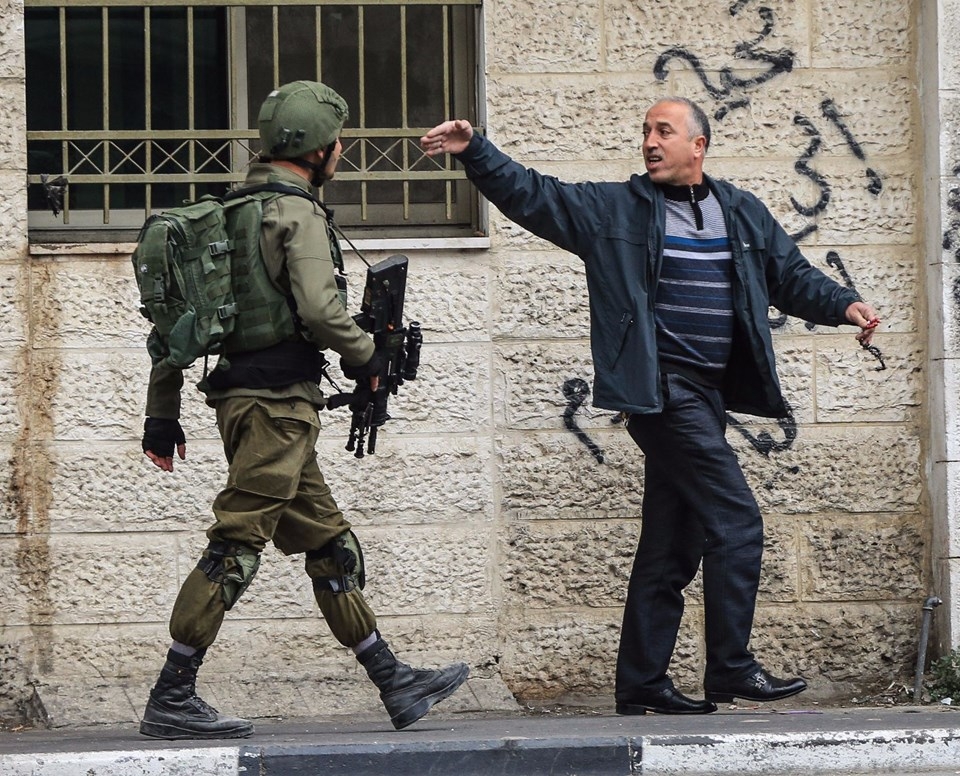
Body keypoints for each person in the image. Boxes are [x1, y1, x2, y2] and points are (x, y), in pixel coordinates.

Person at [420, 98, 879, 716]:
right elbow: (537, 195)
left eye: (664, 131)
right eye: (645, 132)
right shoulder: (616, 211)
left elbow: (792, 277)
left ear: (699, 145)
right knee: (737, 521)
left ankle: (642, 682)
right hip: (662, 392)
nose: (650, 142)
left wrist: (845, 305)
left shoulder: (740, 212)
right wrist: (476, 151)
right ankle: (732, 668)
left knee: (671, 544)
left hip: (707, 397)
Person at [138, 80, 469, 740]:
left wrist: (163, 411)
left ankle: (395, 683)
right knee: (236, 543)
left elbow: (174, 326)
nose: (339, 153)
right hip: (277, 412)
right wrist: (369, 355)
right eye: (337, 144)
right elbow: (321, 311)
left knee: (330, 545)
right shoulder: (297, 215)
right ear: (321, 151)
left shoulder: (230, 214)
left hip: (248, 403)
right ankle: (173, 693)